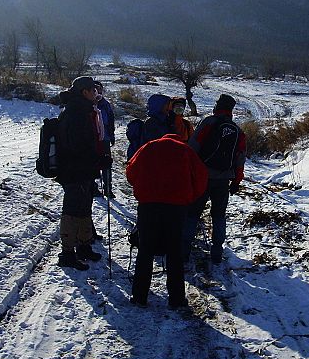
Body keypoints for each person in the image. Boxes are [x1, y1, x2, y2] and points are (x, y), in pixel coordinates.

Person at [126, 133, 208, 308]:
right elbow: (202, 178)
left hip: (148, 206)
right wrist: (189, 197)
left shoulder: (148, 147)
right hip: (176, 208)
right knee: (174, 252)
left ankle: (139, 296)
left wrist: (143, 188)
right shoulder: (186, 151)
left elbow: (131, 172)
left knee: (145, 250)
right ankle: (176, 299)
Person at [55, 76, 112, 270]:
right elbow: (78, 147)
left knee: (84, 207)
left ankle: (84, 246)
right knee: (72, 211)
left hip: (83, 170)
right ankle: (67, 253)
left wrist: (98, 159)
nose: (96, 93)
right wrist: (98, 160)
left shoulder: (84, 110)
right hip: (73, 171)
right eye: (93, 90)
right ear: (84, 92)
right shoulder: (75, 113)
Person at [183, 94, 246, 264]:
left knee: (192, 213)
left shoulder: (209, 122)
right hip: (223, 180)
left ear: (218, 106)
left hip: (202, 177)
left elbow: (192, 147)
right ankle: (217, 252)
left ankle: (184, 250)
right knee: (219, 215)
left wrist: (188, 171)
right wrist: (236, 181)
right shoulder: (237, 131)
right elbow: (240, 158)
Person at [93, 80, 116, 198]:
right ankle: (93, 187)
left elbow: (111, 120)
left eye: (100, 88)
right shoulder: (88, 104)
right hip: (92, 139)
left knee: (106, 164)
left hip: (105, 138)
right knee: (93, 163)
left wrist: (112, 135)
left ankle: (108, 189)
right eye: (96, 88)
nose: (98, 91)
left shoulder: (105, 104)